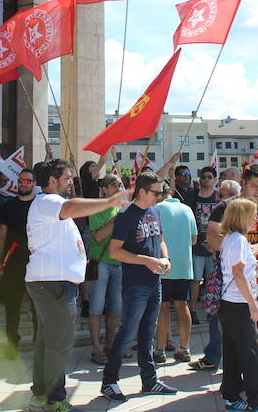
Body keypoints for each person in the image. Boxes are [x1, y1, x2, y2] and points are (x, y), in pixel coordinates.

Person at [25, 159, 127, 412]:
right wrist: (109, 203)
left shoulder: (48, 203)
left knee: (48, 341)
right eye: (67, 177)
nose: (71, 182)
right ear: (52, 181)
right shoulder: (50, 201)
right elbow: (72, 207)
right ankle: (55, 400)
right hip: (53, 283)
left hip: (52, 282)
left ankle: (41, 396)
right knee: (58, 343)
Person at [205, 165, 258, 396]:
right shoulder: (226, 207)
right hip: (232, 285)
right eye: (254, 186)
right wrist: (238, 251)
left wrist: (256, 248)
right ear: (244, 183)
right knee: (234, 339)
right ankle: (237, 384)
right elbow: (212, 236)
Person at [100, 171, 178, 403]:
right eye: (156, 192)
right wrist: (146, 261)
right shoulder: (126, 215)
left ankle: (149, 380)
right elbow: (115, 251)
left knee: (147, 334)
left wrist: (165, 258)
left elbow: (160, 240)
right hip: (135, 285)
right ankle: (109, 381)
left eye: (161, 192)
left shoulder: (155, 211)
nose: (159, 196)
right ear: (142, 191)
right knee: (127, 333)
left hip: (154, 282)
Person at [217, 198, 258, 412]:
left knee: (232, 354)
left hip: (229, 303)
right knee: (250, 356)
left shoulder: (231, 238)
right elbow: (238, 273)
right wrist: (253, 304)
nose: (256, 218)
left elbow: (237, 269)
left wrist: (252, 263)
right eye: (253, 214)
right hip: (239, 304)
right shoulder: (239, 239)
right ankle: (257, 403)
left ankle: (231, 397)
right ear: (242, 217)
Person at [188, 179, 238, 372]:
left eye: (222, 195)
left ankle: (218, 357)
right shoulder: (223, 213)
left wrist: (217, 244)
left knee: (219, 318)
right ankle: (215, 356)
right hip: (221, 271)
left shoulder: (238, 217)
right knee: (215, 316)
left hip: (233, 278)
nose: (218, 199)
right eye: (218, 195)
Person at [0, 168, 38, 359]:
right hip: (13, 264)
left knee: (37, 306)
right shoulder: (8, 206)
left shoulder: (40, 205)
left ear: (34, 184)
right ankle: (11, 343)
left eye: (27, 181)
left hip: (36, 263)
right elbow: (1, 234)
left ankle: (39, 342)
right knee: (12, 305)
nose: (23, 184)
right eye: (21, 180)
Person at [153, 179, 196, 364]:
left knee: (163, 307)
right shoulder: (187, 209)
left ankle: (160, 349)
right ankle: (185, 348)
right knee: (182, 305)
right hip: (184, 265)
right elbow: (194, 239)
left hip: (163, 264)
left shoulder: (156, 209)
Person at [85, 174, 123, 365]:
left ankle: (110, 345)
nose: (118, 188)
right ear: (105, 189)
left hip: (118, 262)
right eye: (115, 185)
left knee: (115, 308)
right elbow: (99, 236)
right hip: (100, 262)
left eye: (120, 185)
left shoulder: (121, 207)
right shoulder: (96, 207)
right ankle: (96, 349)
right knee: (96, 307)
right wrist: (116, 220)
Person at [184, 166, 219, 325]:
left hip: (214, 248)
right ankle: (192, 310)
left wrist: (214, 242)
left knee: (213, 281)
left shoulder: (218, 197)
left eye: (209, 177)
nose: (206, 179)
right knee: (195, 281)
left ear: (215, 179)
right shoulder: (192, 195)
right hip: (197, 246)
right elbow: (187, 220)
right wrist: (198, 241)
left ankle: (212, 310)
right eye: (203, 177)